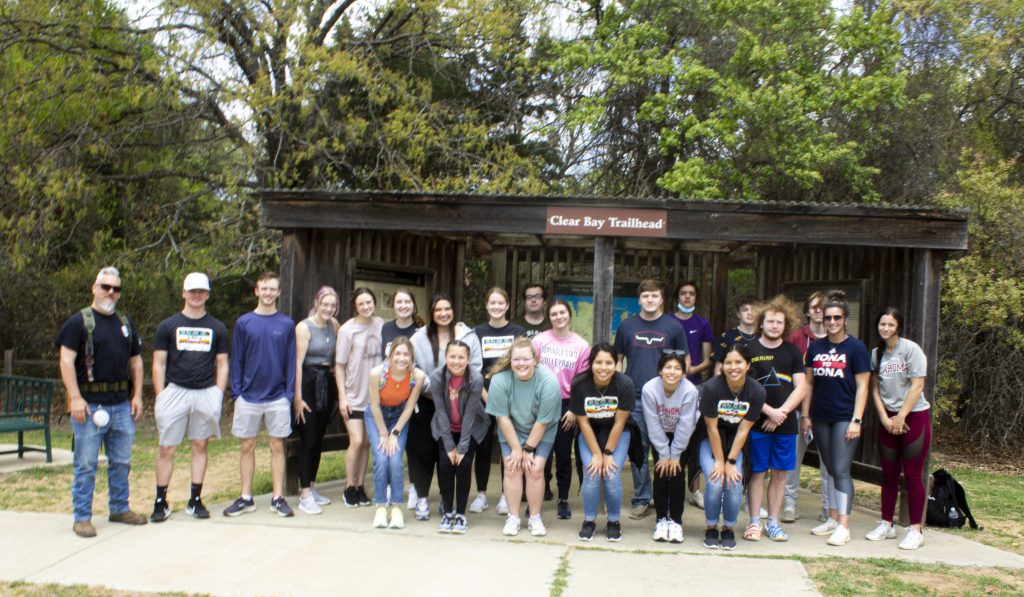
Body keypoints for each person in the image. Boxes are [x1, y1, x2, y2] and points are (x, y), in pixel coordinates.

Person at [57, 267, 146, 537]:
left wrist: (138, 395)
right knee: (86, 464)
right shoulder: (78, 322)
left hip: (121, 405)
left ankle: (119, 507)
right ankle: (82, 516)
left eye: (116, 289)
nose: (110, 292)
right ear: (94, 288)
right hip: (89, 405)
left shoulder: (125, 322)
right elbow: (66, 361)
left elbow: (137, 362)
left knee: (121, 461)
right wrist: (75, 397)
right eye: (106, 287)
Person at [150, 272, 229, 523]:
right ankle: (160, 501)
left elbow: (222, 363)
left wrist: (217, 393)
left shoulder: (217, 327)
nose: (196, 296)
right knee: (166, 447)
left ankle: (195, 499)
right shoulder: (168, 325)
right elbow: (159, 362)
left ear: (207, 295)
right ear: (184, 293)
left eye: (201, 292)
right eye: (192, 291)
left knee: (200, 444)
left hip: (205, 391)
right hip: (175, 390)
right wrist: (161, 395)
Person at [612, 279, 689, 520]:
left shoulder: (673, 326)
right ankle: (641, 498)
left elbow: (683, 362)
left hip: (666, 400)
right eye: (645, 296)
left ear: (662, 299)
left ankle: (662, 496)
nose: (650, 300)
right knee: (638, 452)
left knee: (663, 449)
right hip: (634, 397)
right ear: (639, 299)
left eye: (654, 296)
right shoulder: (626, 326)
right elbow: (618, 360)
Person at [224, 272, 297, 518]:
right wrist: (237, 393)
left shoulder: (286, 324)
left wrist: (288, 395)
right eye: (264, 288)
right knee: (247, 445)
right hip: (248, 397)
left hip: (278, 397)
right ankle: (246, 497)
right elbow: (237, 359)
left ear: (278, 292)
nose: (268, 293)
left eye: (272, 289)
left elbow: (290, 362)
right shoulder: (244, 322)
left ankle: (278, 497)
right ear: (256, 291)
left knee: (277, 445)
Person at [805, 290, 871, 546]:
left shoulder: (856, 348)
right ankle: (832, 518)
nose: (832, 322)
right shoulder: (816, 347)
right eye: (828, 318)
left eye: (837, 318)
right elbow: (809, 382)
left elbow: (864, 386)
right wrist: (806, 414)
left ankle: (843, 524)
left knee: (842, 469)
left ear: (845, 319)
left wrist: (857, 419)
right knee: (830, 468)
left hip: (845, 416)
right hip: (821, 416)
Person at [409, 293, 483, 520]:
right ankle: (421, 497)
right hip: (428, 398)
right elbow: (413, 369)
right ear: (431, 312)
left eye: (447, 309)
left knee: (447, 456)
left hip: (461, 402)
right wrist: (437, 389)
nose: (443, 313)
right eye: (438, 309)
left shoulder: (467, 335)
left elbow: (476, 367)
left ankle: (446, 500)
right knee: (424, 452)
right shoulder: (418, 337)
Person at [866, 307, 930, 550]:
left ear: (898, 327)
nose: (886, 329)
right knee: (889, 475)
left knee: (913, 475)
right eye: (882, 324)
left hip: (913, 417)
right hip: (889, 419)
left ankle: (916, 529)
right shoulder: (877, 353)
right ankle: (886, 523)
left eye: (890, 325)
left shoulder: (911, 349)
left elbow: (918, 384)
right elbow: (874, 387)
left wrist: (901, 415)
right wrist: (884, 418)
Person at [744, 296, 806, 543]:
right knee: (757, 473)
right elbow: (745, 386)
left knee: (780, 474)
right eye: (770, 321)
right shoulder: (749, 349)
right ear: (761, 323)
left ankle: (774, 522)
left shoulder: (792, 351)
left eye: (779, 322)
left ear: (786, 324)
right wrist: (768, 411)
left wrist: (781, 414)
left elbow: (801, 388)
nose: (774, 326)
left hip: (786, 424)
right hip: (756, 422)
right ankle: (753, 522)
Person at [486, 338, 560, 537]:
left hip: (542, 430)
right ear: (510, 360)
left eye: (526, 359)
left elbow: (543, 422)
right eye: (516, 359)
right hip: (512, 430)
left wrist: (528, 449)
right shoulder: (500, 380)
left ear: (535, 359)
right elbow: (502, 418)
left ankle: (535, 517)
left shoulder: (548, 380)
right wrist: (517, 449)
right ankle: (513, 517)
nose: (521, 364)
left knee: (535, 469)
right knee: (512, 468)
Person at [699, 344, 765, 550]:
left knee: (734, 483)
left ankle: (728, 528)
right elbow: (711, 427)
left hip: (737, 440)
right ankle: (711, 526)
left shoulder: (756, 391)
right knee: (715, 480)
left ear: (747, 365)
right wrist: (720, 461)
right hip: (711, 437)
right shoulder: (711, 388)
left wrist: (731, 462)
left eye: (738, 362)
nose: (733, 367)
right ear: (721, 366)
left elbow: (744, 430)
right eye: (728, 362)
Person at [533, 299, 591, 520]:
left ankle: (563, 498)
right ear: (550, 317)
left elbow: (582, 381)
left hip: (567, 404)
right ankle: (540, 491)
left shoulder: (581, 346)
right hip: (541, 403)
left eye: (562, 312)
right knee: (540, 454)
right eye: (554, 313)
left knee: (563, 453)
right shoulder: (539, 341)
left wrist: (575, 409)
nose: (559, 317)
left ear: (569, 315)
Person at [571, 344, 635, 542]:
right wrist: (597, 455)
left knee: (611, 473)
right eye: (598, 362)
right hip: (590, 431)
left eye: (609, 362)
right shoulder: (580, 384)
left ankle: (614, 521)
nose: (603, 367)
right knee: (591, 472)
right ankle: (589, 521)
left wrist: (607, 453)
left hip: (618, 432)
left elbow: (620, 422)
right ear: (591, 364)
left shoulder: (625, 384)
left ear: (616, 364)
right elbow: (582, 422)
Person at [472, 287, 525, 514]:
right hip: (483, 396)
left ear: (507, 306)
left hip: (510, 397)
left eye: (500, 303)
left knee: (508, 445)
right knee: (482, 446)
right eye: (492, 303)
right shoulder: (477, 332)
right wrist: (487, 396)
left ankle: (506, 494)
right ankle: (481, 494)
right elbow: (473, 367)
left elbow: (522, 363)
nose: (496, 307)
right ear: (487, 306)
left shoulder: (517, 331)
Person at [366, 336, 426, 529]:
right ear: (390, 356)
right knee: (382, 459)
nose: (401, 358)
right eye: (397, 353)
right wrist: (384, 433)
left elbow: (409, 408)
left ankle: (397, 507)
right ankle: (381, 507)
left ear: (411, 357)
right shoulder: (377, 373)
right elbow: (374, 405)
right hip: (377, 416)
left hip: (400, 416)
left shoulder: (417, 376)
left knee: (396, 459)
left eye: (405, 354)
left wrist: (395, 433)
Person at [293, 287, 341, 515]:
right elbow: (297, 363)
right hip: (308, 384)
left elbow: (337, 356)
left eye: (333, 305)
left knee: (319, 439)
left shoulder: (335, 325)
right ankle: (303, 494)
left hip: (326, 384)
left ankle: (312, 487)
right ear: (316, 303)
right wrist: (298, 397)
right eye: (325, 304)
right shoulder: (304, 327)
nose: (329, 309)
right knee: (308, 438)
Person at [430, 341, 488, 534]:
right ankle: (447, 512)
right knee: (446, 465)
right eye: (452, 357)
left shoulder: (475, 379)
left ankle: (461, 515)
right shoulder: (437, 377)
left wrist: (462, 448)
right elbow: (440, 413)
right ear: (445, 358)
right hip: (444, 427)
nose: (456, 361)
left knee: (463, 465)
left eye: (461, 357)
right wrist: (449, 446)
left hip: (469, 428)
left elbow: (470, 416)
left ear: (468, 359)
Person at [642, 353, 699, 544]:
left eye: (677, 368)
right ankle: (660, 519)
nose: (672, 372)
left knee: (676, 473)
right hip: (660, 434)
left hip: (683, 436)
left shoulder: (690, 391)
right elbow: (652, 422)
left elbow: (685, 424)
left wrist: (675, 455)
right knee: (660, 471)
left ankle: (675, 521)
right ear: (660, 370)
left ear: (683, 373)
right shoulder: (649, 389)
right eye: (668, 367)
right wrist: (664, 454)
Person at [335, 287, 384, 507]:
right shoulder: (347, 330)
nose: (366, 307)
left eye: (369, 302)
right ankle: (349, 486)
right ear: (355, 306)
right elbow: (339, 365)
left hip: (374, 397)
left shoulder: (381, 325)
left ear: (374, 303)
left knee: (366, 443)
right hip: (353, 395)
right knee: (355, 441)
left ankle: (361, 485)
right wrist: (342, 397)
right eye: (361, 303)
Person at [784, 291, 831, 523]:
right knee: (792, 460)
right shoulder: (796, 338)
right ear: (807, 310)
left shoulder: (837, 338)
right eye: (814, 307)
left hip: (825, 410)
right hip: (797, 409)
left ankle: (828, 506)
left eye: (823, 307)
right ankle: (790, 504)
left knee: (828, 463)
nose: (819, 311)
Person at [671, 280, 714, 512]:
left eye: (691, 294)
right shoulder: (668, 321)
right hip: (668, 389)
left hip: (695, 386)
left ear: (696, 298)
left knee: (692, 438)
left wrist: (688, 371)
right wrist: (674, 374)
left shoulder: (702, 323)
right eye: (683, 293)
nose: (687, 297)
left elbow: (708, 360)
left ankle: (695, 490)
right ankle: (668, 485)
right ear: (677, 297)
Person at [712, 296, 758, 375]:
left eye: (753, 310)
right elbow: (718, 370)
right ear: (738, 314)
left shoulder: (764, 337)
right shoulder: (726, 336)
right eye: (745, 310)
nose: (749, 313)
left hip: (761, 385)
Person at [381, 288, 423, 359]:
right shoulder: (386, 328)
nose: (403, 306)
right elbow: (383, 359)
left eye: (407, 302)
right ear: (393, 305)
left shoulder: (421, 330)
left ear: (414, 305)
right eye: (399, 302)